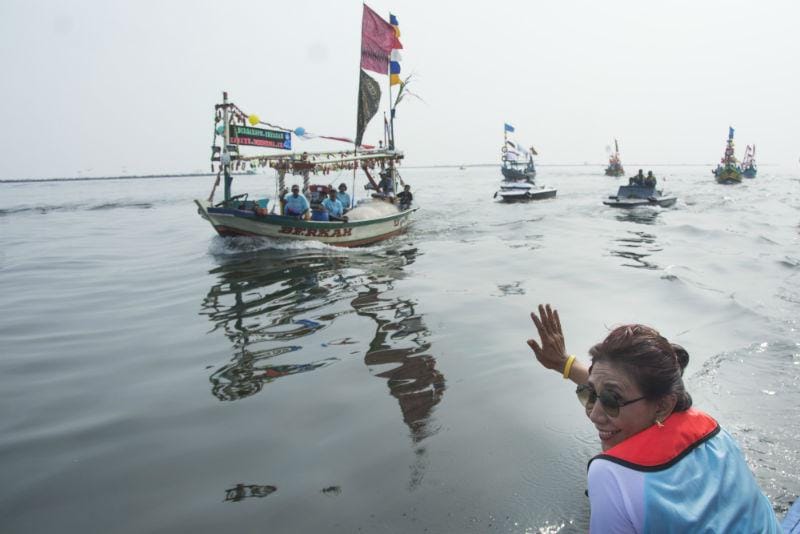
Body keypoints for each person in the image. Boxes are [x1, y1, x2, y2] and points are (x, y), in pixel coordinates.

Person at [526, 304, 781, 533]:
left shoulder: (610, 474)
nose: (594, 414)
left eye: (612, 401)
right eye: (589, 394)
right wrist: (564, 363)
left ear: (662, 407)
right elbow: (616, 388)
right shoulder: (714, 432)